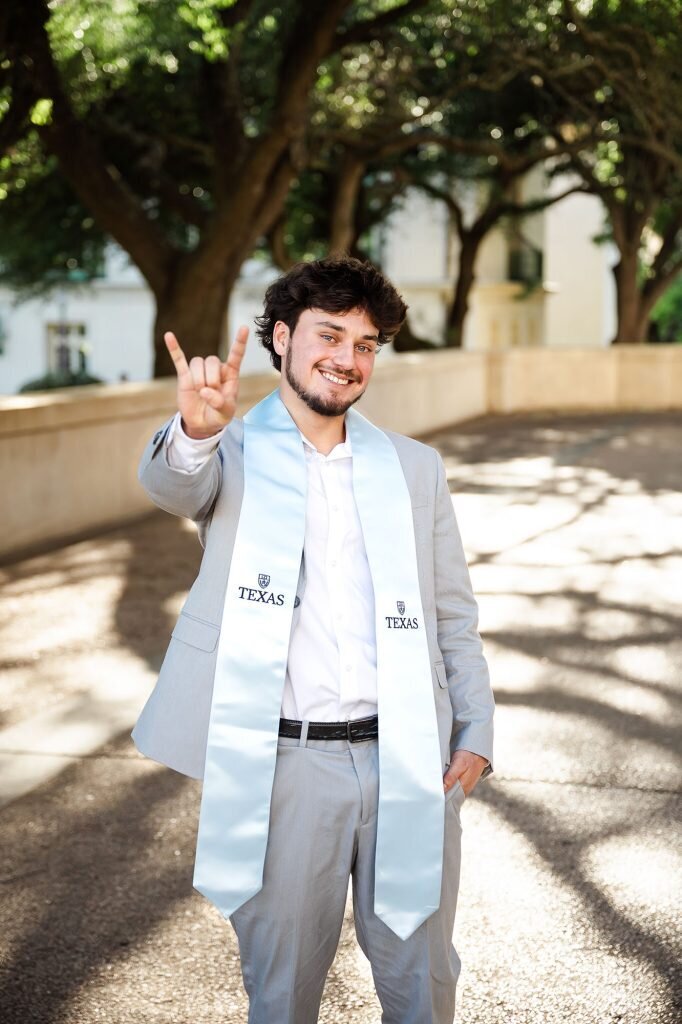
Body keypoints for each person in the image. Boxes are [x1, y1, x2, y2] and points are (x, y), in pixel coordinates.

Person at [131, 255, 494, 1024]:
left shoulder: (413, 468)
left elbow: (453, 615)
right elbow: (173, 485)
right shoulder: (229, 451)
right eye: (331, 335)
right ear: (284, 337)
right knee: (283, 991)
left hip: (410, 762)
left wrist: (476, 732)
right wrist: (197, 428)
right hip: (283, 768)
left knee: (423, 985)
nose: (347, 358)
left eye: (366, 345)